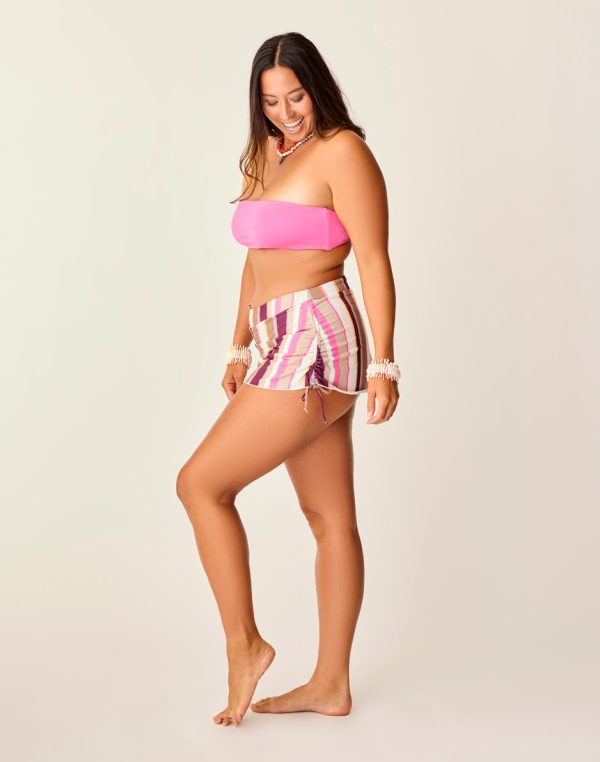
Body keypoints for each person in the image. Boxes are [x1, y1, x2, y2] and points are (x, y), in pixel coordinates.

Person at [175, 32, 400, 727]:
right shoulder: (267, 153)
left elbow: (373, 258)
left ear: (317, 87)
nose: (285, 113)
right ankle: (330, 685)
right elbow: (256, 256)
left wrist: (385, 363)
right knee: (330, 518)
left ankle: (245, 646)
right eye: (271, 102)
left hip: (318, 334)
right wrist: (239, 342)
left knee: (200, 485)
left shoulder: (343, 151)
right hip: (275, 333)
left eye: (295, 97)